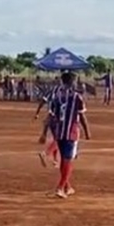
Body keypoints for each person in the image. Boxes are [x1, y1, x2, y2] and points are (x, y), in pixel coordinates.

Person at [38, 71, 91, 199]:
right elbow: (81, 116)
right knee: (68, 161)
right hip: (71, 133)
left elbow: (50, 116)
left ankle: (67, 187)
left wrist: (44, 133)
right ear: (73, 82)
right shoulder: (76, 97)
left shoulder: (57, 97)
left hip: (59, 131)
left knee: (64, 161)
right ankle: (60, 188)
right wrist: (87, 131)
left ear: (62, 81)